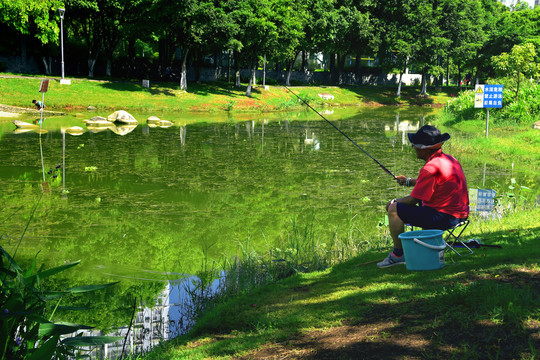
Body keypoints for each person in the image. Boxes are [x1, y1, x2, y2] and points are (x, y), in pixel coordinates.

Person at [377, 125, 469, 268]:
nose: (413, 147)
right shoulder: (450, 160)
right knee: (412, 206)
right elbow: (435, 184)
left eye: (415, 145)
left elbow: (413, 199)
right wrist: (409, 181)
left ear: (424, 149)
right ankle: (417, 247)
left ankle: (398, 255)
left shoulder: (429, 168)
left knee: (394, 208)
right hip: (460, 214)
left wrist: (392, 202)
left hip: (444, 218)